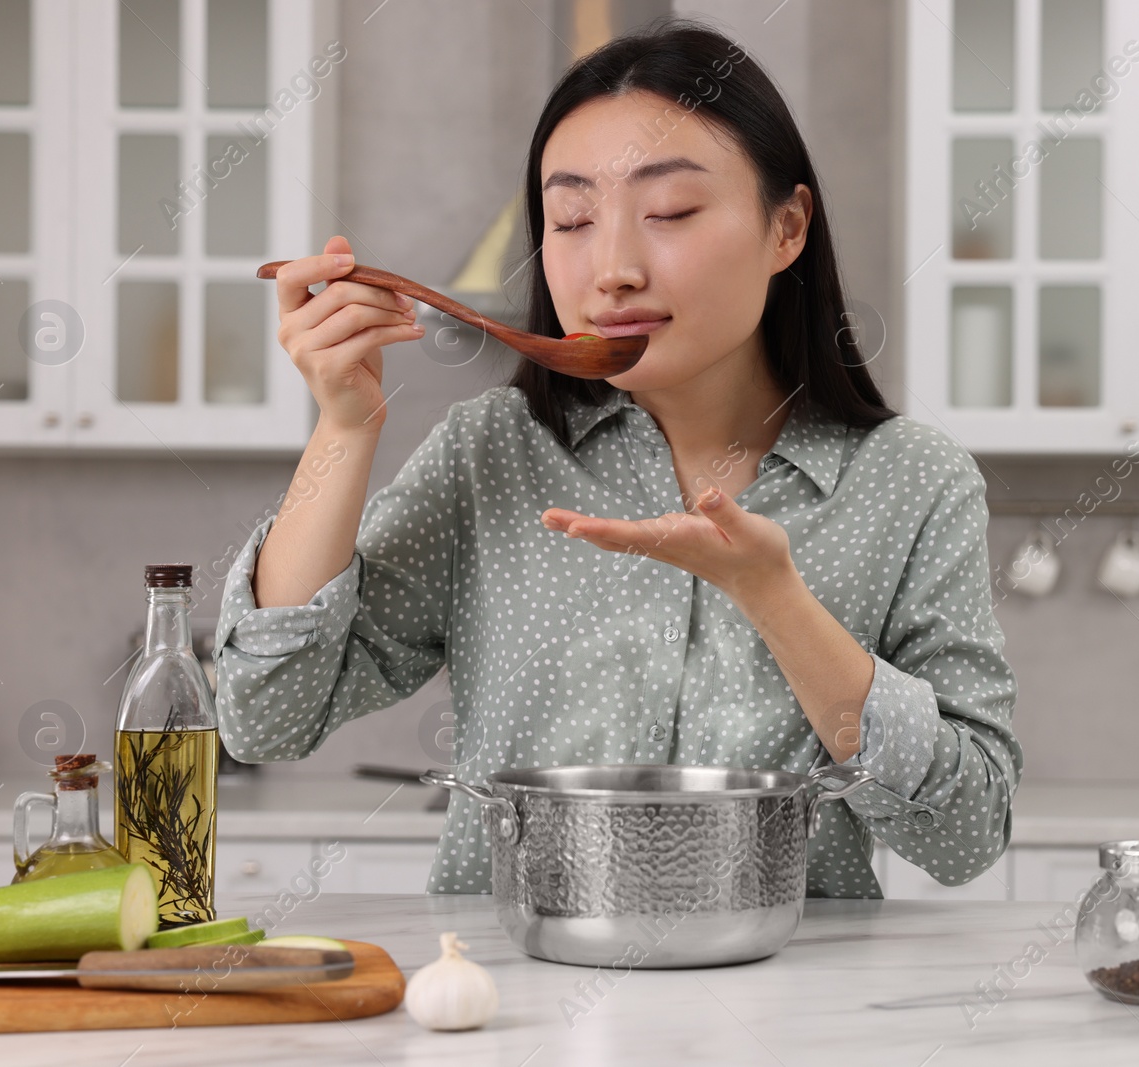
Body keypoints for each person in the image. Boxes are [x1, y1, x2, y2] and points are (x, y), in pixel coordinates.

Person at [213, 18, 1022, 897]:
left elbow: (966, 834)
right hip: (515, 1008)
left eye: (669, 212)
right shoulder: (491, 455)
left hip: (784, 1016)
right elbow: (264, 715)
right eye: (572, 218)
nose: (613, 268)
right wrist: (342, 427)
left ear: (786, 227)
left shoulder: (911, 481)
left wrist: (774, 597)